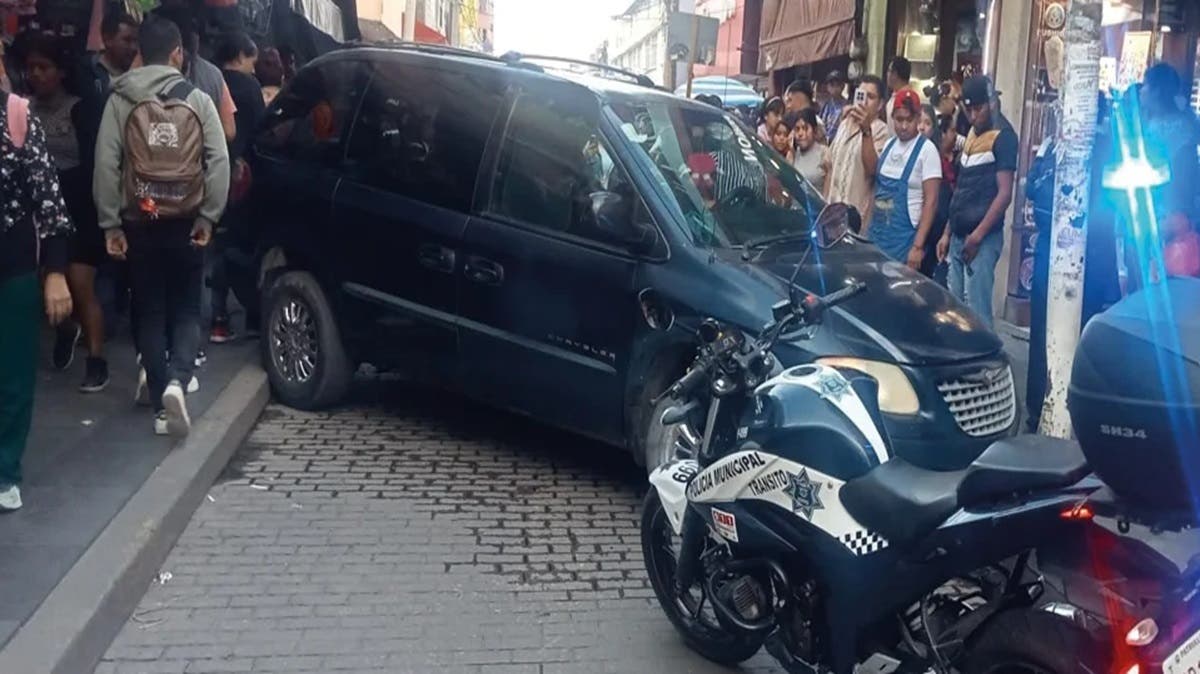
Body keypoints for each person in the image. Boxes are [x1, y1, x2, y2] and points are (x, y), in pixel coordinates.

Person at [94, 17, 230, 436]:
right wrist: (209, 215)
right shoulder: (198, 100)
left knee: (149, 309)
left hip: (141, 219)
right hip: (187, 219)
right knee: (188, 306)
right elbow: (219, 161)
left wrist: (110, 223)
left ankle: (158, 405)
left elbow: (106, 163)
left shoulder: (121, 98)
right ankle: (177, 379)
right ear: (177, 53)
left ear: (140, 53)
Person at [0, 89, 75, 511]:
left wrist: (57, 273)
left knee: (12, 371)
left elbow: (49, 201)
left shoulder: (17, 114)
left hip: (12, 265)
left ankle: (5, 469)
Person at [25, 36, 110, 391]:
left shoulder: (80, 108)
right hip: (39, 211)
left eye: (43, 68)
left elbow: (94, 162)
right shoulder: (22, 109)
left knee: (80, 284)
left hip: (78, 206)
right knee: (46, 281)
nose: (35, 75)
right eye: (30, 69)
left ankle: (96, 358)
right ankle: (65, 328)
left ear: (60, 72)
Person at [937, 75, 1017, 329]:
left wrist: (977, 236)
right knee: (955, 313)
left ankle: (987, 368)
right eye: (968, 109)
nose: (972, 116)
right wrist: (947, 233)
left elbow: (1004, 194)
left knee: (978, 315)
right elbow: (962, 186)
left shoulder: (1004, 137)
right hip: (960, 235)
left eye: (977, 109)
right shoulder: (972, 133)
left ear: (992, 103)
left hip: (981, 239)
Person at [213, 31, 266, 343]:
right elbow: (262, 130)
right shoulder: (248, 87)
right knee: (239, 248)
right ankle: (252, 318)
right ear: (240, 56)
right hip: (242, 177)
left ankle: (217, 317)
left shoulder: (210, 79)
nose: (254, 69)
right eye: (252, 61)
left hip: (210, 175)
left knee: (215, 246)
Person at [866, 89, 941, 268]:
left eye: (910, 120)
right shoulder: (889, 145)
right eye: (899, 120)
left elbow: (931, 202)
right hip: (877, 235)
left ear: (918, 118)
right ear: (892, 118)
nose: (904, 126)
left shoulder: (927, 151)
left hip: (904, 241)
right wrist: (866, 231)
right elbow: (876, 190)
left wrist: (917, 246)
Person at [827, 75, 892, 222]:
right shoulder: (844, 124)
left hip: (856, 218)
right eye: (862, 95)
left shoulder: (882, 131)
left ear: (880, 104)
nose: (865, 101)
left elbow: (872, 170)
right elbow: (830, 166)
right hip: (831, 214)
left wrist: (866, 131)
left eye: (871, 97)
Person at [84, 11, 138, 100]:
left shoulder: (138, 74)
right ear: (108, 40)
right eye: (127, 40)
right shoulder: (87, 72)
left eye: (135, 41)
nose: (134, 47)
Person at [786, 108, 830, 194]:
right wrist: (791, 153)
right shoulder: (792, 154)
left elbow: (829, 190)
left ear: (814, 130)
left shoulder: (824, 153)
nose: (800, 133)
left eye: (805, 128)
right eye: (797, 129)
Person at [884, 56, 920, 134]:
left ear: (895, 74)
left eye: (889, 71)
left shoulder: (909, 98)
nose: (887, 74)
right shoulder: (894, 96)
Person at [820, 71, 848, 144]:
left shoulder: (847, 105)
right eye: (832, 85)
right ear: (827, 87)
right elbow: (821, 125)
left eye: (838, 85)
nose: (835, 88)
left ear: (843, 86)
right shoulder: (826, 106)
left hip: (841, 142)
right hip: (826, 143)